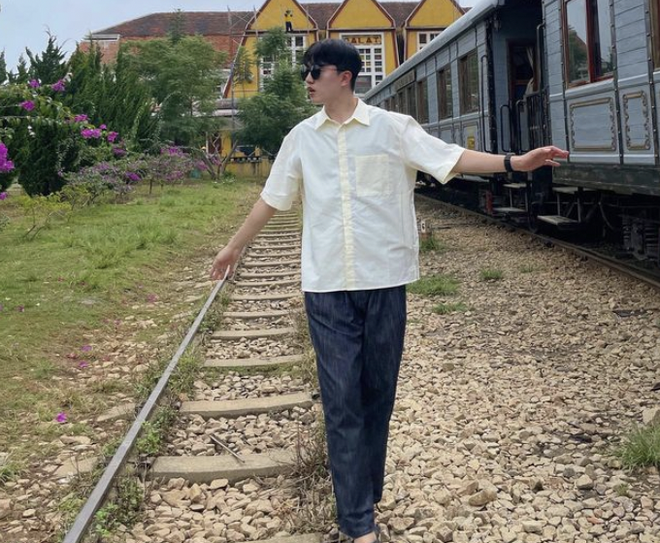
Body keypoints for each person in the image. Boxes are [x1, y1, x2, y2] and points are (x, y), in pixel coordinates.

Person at [210, 39, 568, 543]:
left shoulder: (394, 129)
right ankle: (357, 521)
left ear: (346, 78)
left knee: (377, 395)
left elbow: (453, 158)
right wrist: (233, 248)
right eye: (307, 71)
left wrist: (516, 162)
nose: (308, 79)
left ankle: (364, 491)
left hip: (385, 283)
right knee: (340, 400)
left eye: (318, 70)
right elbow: (272, 201)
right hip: (327, 286)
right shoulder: (301, 139)